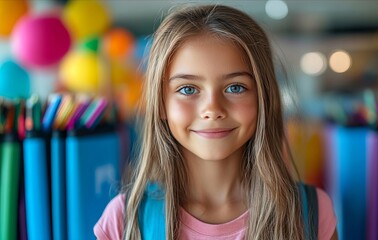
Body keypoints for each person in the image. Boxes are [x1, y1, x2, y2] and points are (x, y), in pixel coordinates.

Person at [94, 4, 337, 240]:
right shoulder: (123, 221)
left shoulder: (310, 215)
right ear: (160, 103)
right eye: (188, 89)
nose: (212, 109)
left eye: (235, 87)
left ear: (264, 98)